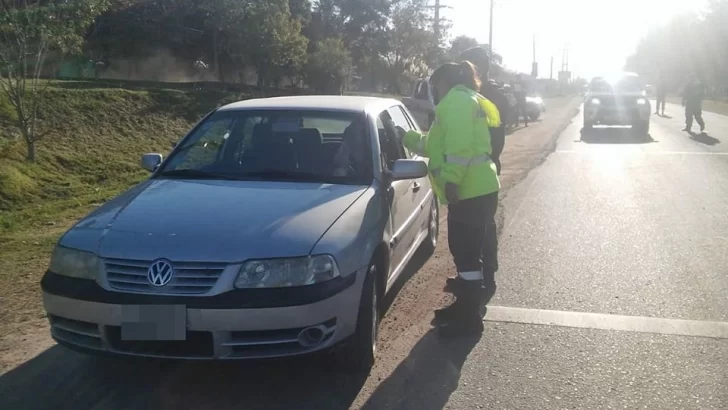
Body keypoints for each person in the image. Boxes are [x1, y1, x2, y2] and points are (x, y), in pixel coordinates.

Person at [399, 61, 501, 336]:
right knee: (468, 253)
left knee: (466, 253)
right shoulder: (467, 99)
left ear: (444, 82)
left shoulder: (455, 102)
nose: (434, 90)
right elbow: (434, 145)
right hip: (480, 188)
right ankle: (467, 307)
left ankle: (468, 318)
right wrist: (405, 136)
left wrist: (452, 180)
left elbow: (459, 149)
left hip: (469, 191)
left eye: (435, 85)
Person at [459, 47, 506, 297]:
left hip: (483, 170)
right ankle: (472, 276)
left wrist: (482, 161)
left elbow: (496, 141)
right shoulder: (468, 95)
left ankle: (487, 275)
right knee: (472, 230)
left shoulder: (491, 97)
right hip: (471, 171)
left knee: (483, 227)